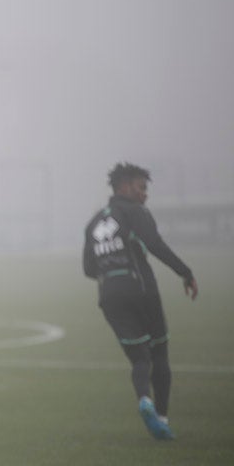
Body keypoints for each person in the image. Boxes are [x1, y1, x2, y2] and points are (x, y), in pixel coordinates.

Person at [82, 162, 198, 440]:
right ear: (124, 187)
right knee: (159, 351)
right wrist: (185, 272)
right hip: (140, 288)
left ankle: (143, 398)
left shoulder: (94, 221)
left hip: (109, 295)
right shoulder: (135, 212)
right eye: (141, 188)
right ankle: (161, 417)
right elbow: (155, 245)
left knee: (138, 358)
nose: (145, 195)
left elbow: (88, 269)